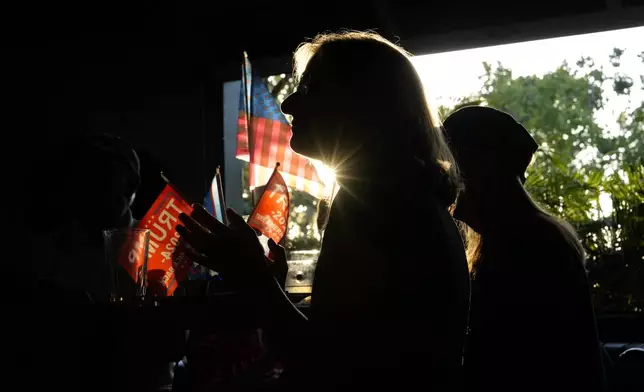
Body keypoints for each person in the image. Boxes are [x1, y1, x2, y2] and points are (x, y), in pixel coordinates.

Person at [178, 31, 470, 390]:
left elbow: (333, 364)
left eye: (311, 89)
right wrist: (271, 287)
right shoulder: (399, 196)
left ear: (363, 104)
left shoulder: (378, 208)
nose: (288, 105)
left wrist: (254, 279)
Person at [442, 106, 606, 391]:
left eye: (454, 167)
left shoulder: (528, 247)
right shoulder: (534, 237)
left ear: (482, 169)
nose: (448, 183)